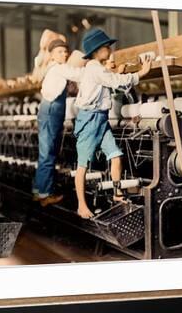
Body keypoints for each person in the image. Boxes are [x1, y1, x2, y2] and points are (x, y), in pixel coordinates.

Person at [74, 28, 152, 218]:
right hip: (90, 119)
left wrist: (116, 72)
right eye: (106, 47)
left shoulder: (97, 68)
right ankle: (81, 205)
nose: (109, 50)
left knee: (116, 155)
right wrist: (141, 73)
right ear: (97, 50)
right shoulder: (94, 68)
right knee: (82, 165)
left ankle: (117, 193)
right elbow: (115, 82)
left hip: (101, 118)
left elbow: (109, 79)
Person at [33, 39, 85, 206]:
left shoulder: (51, 68)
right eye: (60, 52)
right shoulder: (59, 68)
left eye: (65, 51)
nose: (64, 54)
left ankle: (39, 191)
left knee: (45, 152)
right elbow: (79, 74)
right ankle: (45, 195)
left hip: (49, 110)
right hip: (51, 111)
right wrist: (96, 68)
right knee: (48, 152)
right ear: (52, 55)